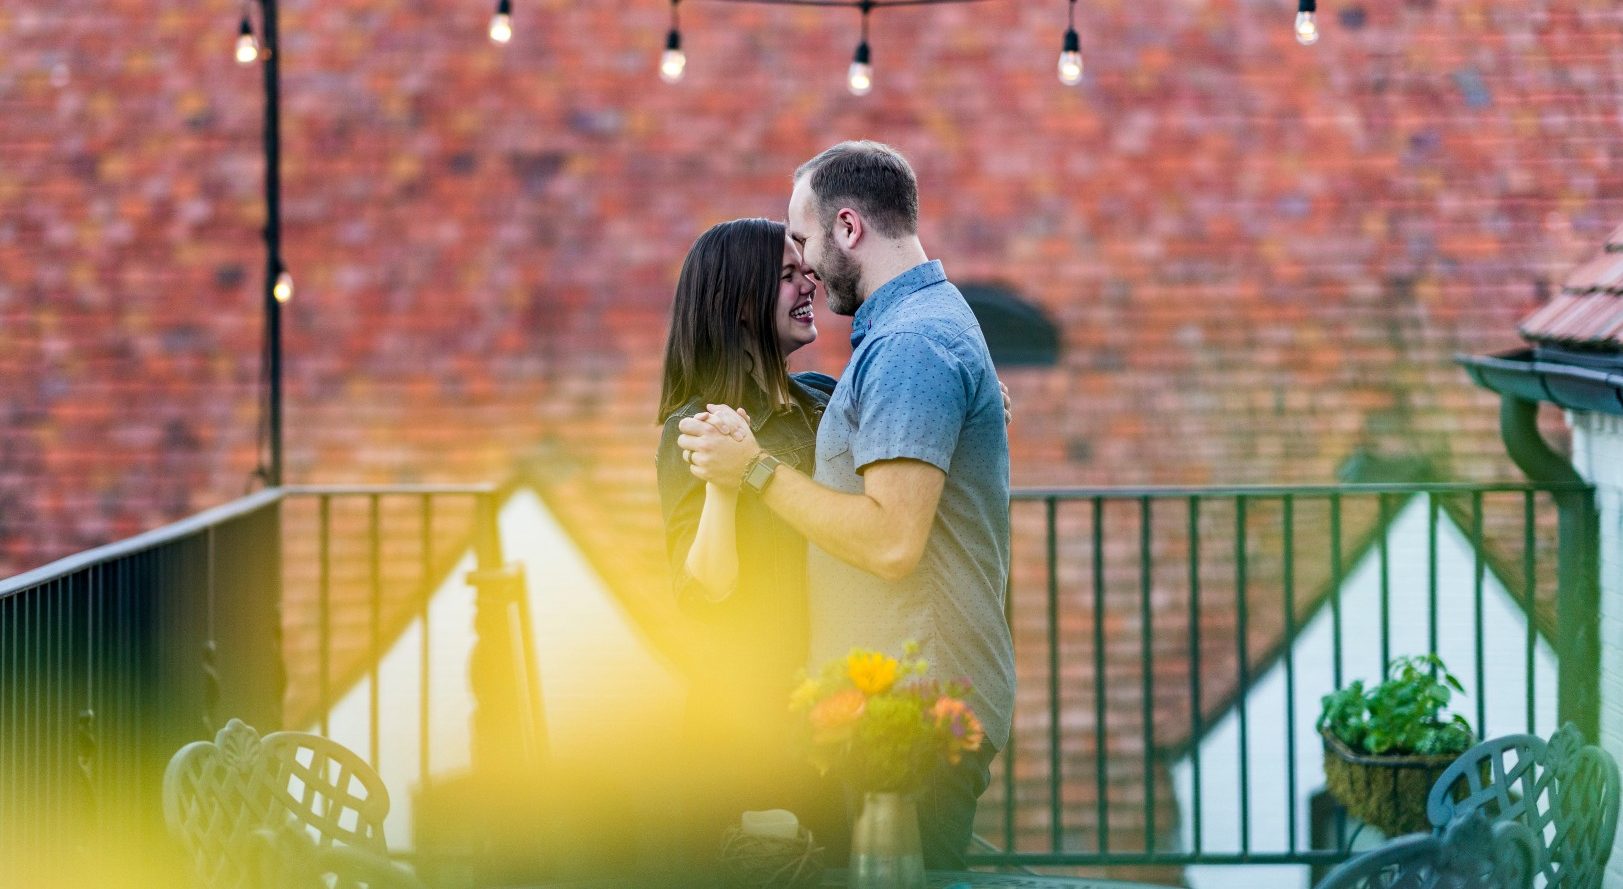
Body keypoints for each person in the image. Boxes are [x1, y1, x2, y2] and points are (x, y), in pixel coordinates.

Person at [676, 141, 1017, 870]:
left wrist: (755, 470)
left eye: (802, 241)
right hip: (889, 716)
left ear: (849, 227)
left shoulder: (911, 343)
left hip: (913, 722)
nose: (804, 265)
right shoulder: (910, 337)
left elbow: (891, 542)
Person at [653, 217, 836, 865]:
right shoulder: (694, 426)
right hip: (745, 726)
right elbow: (706, 588)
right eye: (787, 276)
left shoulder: (821, 402)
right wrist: (725, 488)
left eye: (805, 270)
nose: (809, 283)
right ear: (738, 305)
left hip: (829, 708)